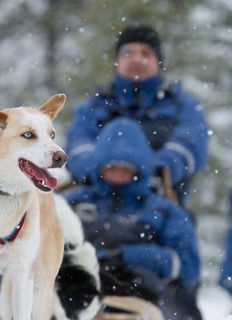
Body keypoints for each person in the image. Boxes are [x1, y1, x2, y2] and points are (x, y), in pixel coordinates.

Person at [65, 117, 202, 319]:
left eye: (126, 169)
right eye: (111, 167)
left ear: (140, 170)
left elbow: (188, 268)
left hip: (145, 297)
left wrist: (127, 257)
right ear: (99, 167)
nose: (118, 174)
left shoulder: (164, 211)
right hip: (77, 293)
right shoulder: (72, 204)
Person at [66, 25, 209, 206]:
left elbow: (191, 144)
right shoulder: (93, 107)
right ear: (117, 61)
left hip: (161, 213)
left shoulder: (183, 106)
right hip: (93, 213)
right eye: (128, 52)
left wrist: (157, 170)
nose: (137, 59)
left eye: (146, 53)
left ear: (158, 62)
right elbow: (77, 142)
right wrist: (93, 170)